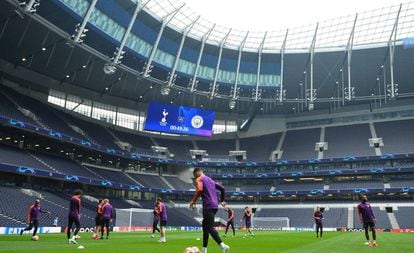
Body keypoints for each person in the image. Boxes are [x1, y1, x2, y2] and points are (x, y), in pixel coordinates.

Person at [190, 168, 230, 253]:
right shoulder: (210, 180)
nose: (195, 178)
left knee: (209, 227)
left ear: (197, 173)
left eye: (194, 176)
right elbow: (222, 188)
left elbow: (200, 189)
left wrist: (193, 201)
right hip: (215, 206)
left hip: (207, 206)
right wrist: (222, 200)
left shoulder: (199, 178)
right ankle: (204, 249)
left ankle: (223, 246)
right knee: (205, 226)